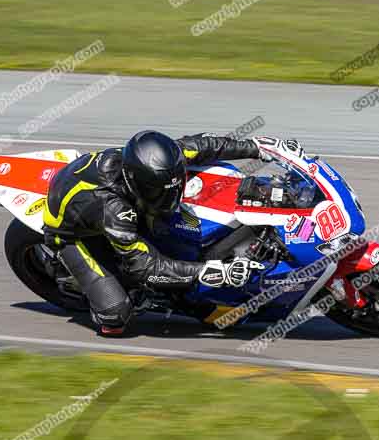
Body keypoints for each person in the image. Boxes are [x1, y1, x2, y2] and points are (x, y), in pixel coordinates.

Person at [42, 130, 304, 335]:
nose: (169, 195)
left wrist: (260, 147)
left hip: (112, 203)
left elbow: (207, 146)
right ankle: (91, 284)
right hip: (71, 235)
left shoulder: (156, 161)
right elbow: (145, 267)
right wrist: (210, 272)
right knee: (116, 317)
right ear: (137, 184)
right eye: (159, 191)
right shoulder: (114, 209)